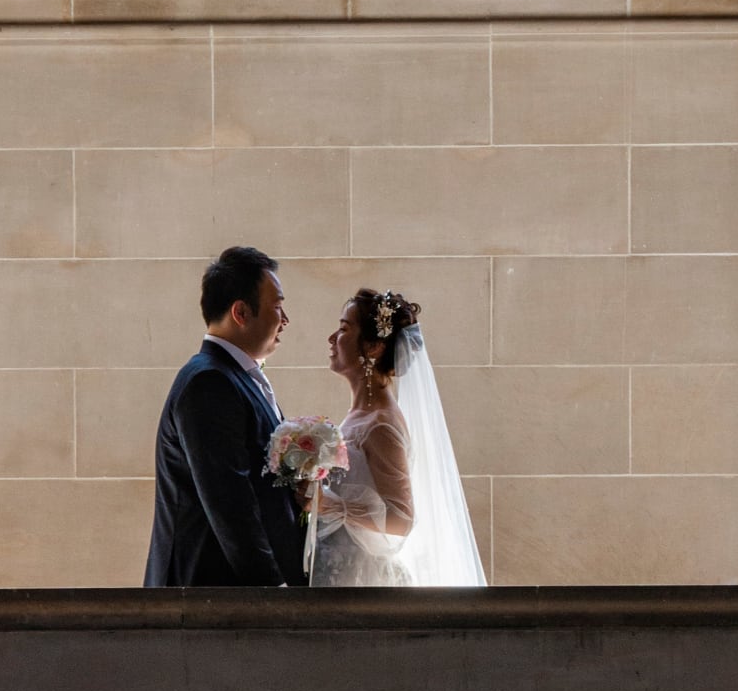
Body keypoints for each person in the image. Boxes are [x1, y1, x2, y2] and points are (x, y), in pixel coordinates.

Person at [143, 247, 306, 587]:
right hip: (211, 592)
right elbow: (229, 501)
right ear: (241, 312)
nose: (285, 319)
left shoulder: (235, 376)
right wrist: (272, 590)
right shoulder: (209, 382)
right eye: (277, 306)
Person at [308, 289, 487, 587]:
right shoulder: (359, 415)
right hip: (337, 570)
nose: (331, 338)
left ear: (374, 347)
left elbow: (401, 518)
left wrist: (332, 505)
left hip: (360, 580)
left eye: (343, 329)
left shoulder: (381, 425)